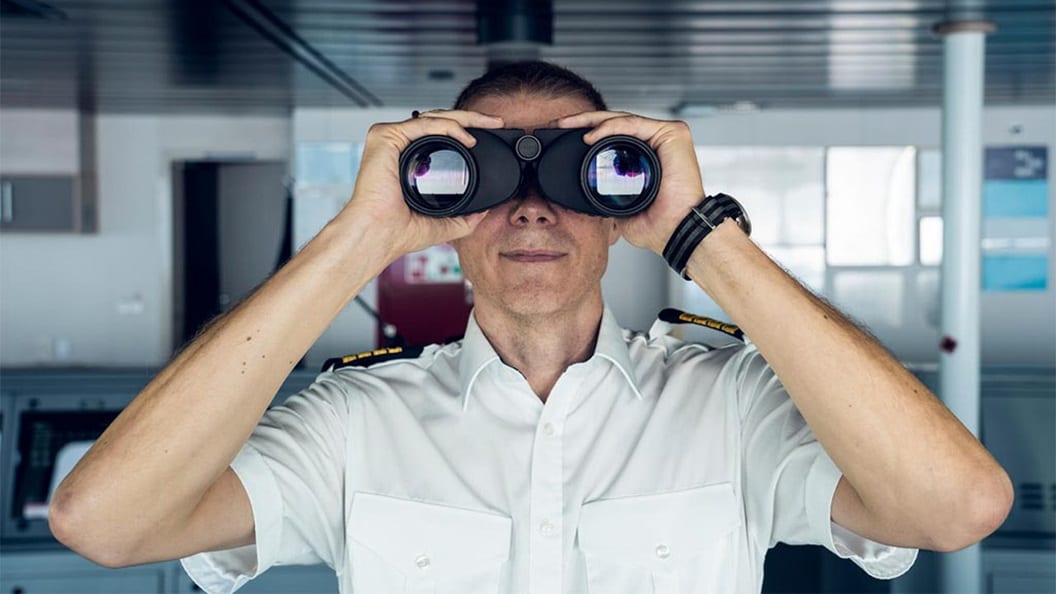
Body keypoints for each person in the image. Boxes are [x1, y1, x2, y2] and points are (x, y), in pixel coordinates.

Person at [49, 61, 1013, 594]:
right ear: (445, 226)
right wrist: (357, 239)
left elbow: (953, 508)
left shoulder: (729, 406)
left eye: (570, 175)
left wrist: (701, 235)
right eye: (491, 180)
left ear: (616, 210)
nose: (532, 209)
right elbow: (106, 524)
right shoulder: (355, 422)